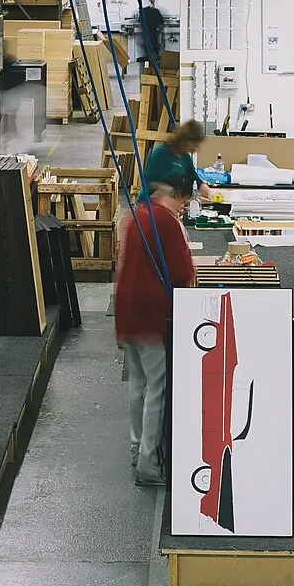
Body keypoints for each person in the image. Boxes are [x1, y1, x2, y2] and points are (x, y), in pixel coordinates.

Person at [114, 180, 197, 486]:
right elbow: (182, 272)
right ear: (175, 195)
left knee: (138, 386)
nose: (183, 210)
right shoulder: (166, 222)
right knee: (157, 390)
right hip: (153, 318)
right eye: (183, 203)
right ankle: (149, 464)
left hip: (130, 312)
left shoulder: (137, 214)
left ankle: (137, 450)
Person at [143, 120, 205, 199]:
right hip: (150, 202)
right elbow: (149, 182)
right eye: (193, 144)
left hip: (171, 202)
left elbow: (195, 179)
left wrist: (210, 193)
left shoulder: (185, 157)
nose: (195, 148)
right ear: (183, 140)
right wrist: (171, 193)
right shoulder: (161, 152)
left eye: (197, 145)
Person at [138, 0, 166, 67]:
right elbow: (161, 25)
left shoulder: (143, 11)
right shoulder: (156, 11)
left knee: (146, 54)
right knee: (155, 54)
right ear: (153, 0)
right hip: (153, 36)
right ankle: (154, 69)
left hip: (145, 36)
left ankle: (146, 70)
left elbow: (139, 22)